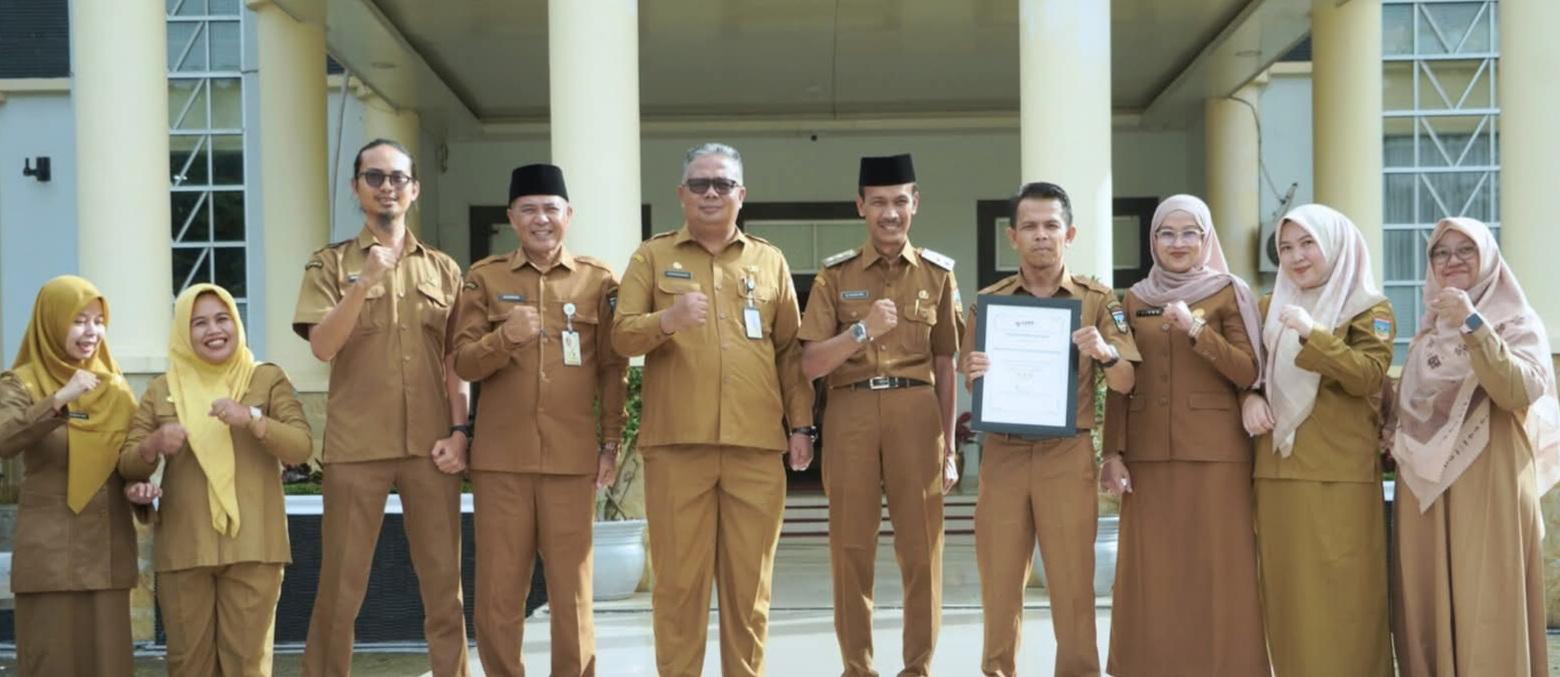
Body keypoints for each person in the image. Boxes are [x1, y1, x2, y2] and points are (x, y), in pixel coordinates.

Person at [611, 142, 815, 677]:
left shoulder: (769, 261)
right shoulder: (651, 257)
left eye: (722, 184)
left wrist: (802, 426)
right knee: (679, 589)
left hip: (755, 449)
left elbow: (791, 352)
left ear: (741, 195)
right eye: (700, 184)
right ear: (681, 194)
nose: (711, 193)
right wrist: (667, 320)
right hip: (678, 448)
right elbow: (620, 337)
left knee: (750, 591)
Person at [292, 138, 471, 676]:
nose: (386, 187)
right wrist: (366, 280)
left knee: (444, 589)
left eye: (397, 178)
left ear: (414, 190)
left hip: (430, 447)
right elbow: (323, 345)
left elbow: (455, 362)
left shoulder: (443, 269)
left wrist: (461, 433)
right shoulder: (329, 264)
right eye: (374, 177)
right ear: (356, 188)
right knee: (340, 591)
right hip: (356, 447)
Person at [452, 163, 629, 677]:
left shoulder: (598, 281)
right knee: (499, 591)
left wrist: (611, 444)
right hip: (501, 462)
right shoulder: (485, 278)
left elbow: (613, 369)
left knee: (573, 593)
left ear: (568, 215)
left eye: (550, 208)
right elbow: (463, 361)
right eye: (528, 209)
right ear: (512, 217)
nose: (540, 219)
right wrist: (505, 338)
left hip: (572, 460)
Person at [961, 181, 1139, 677]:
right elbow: (966, 370)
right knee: (999, 585)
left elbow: (1126, 380)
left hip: (1067, 454)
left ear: (1070, 233)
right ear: (1012, 237)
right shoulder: (989, 304)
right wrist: (972, 368)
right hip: (1004, 453)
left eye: (1051, 226)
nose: (1042, 235)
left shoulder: (1098, 301)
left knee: (1072, 586)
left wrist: (1104, 353)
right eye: (1030, 227)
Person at [798, 153, 961, 677]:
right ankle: (857, 667)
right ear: (861, 206)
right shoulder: (833, 276)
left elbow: (946, 361)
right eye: (879, 203)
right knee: (851, 548)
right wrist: (861, 330)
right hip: (850, 411)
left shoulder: (938, 275)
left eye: (900, 201)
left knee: (922, 552)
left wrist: (951, 449)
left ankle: (918, 667)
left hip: (917, 413)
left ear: (915, 202)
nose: (890, 213)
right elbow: (809, 363)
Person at [1100, 195, 1268, 676]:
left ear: (1205, 238)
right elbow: (1121, 379)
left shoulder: (1227, 291)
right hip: (1149, 456)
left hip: (1217, 456)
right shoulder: (1134, 298)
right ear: (1153, 240)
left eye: (1189, 232)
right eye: (1166, 234)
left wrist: (1197, 328)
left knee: (1219, 570)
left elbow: (1249, 370)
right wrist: (1112, 451)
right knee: (1152, 574)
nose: (1177, 243)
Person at [1389, 216, 1558, 676]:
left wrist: (1474, 324)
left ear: (1487, 259)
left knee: (1488, 598)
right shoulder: (1427, 334)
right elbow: (1412, 407)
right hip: (1424, 487)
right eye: (1440, 253)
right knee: (1428, 600)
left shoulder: (1516, 321)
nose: (1452, 261)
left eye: (1466, 250)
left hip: (1489, 478)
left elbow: (1519, 390)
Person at [118, 283, 313, 676]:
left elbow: (301, 447)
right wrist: (153, 444)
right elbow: (127, 464)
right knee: (188, 664)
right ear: (182, 333)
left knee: (247, 664)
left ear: (237, 323)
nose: (213, 330)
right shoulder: (162, 389)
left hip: (254, 545)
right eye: (199, 323)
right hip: (185, 546)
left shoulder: (266, 378)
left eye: (222, 319)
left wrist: (253, 420)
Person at [1242, 203, 1395, 676]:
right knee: (1288, 602)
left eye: (1308, 243)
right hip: (1277, 471)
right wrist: (1249, 395)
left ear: (1336, 244)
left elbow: (1368, 376)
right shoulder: (1268, 308)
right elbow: (1250, 371)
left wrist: (1314, 336)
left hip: (1339, 476)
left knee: (1348, 600)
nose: (1296, 257)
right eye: (1286, 247)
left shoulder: (1370, 308)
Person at [0, 275, 139, 676]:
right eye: (78, 320)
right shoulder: (21, 381)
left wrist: (143, 480)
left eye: (98, 320)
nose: (91, 331)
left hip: (107, 552)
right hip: (50, 556)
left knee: (109, 664)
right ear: (52, 321)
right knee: (52, 663)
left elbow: (129, 459)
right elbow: (5, 438)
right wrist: (60, 398)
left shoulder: (117, 388)